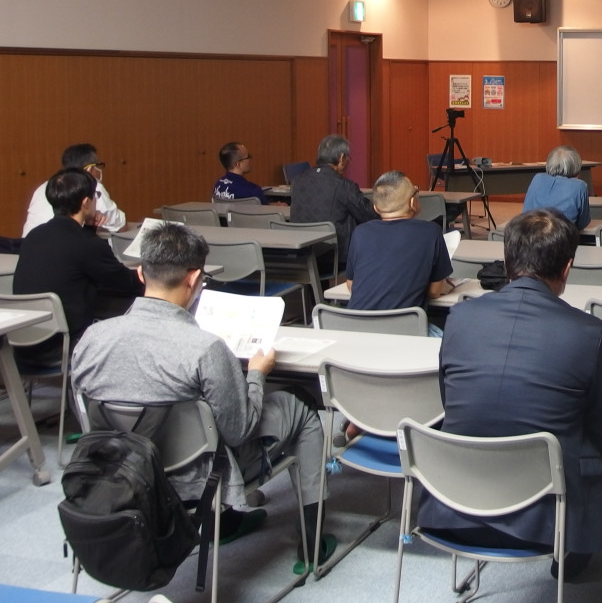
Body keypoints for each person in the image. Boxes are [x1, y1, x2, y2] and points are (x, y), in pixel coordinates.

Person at [71, 223, 334, 570]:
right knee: (301, 405)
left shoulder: (91, 339)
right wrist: (257, 374)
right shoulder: (206, 348)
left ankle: (228, 523)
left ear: (140, 273)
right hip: (197, 479)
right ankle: (312, 543)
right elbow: (240, 431)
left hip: (118, 470)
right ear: (195, 279)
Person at [419, 208, 602, 581]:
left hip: (455, 507)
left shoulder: (460, 318)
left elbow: (449, 402)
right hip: (548, 518)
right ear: (567, 268)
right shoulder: (590, 333)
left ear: (507, 261)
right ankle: (573, 562)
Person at [13, 167, 142, 365]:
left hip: (23, 344)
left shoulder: (34, 236)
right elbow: (127, 283)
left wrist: (90, 228)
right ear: (86, 202)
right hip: (63, 346)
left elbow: (74, 260)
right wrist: (144, 274)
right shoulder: (86, 244)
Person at [346, 171, 454, 334]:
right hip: (405, 331)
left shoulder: (360, 232)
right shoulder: (430, 232)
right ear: (412, 202)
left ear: (376, 208)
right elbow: (434, 292)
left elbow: (351, 285)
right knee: (453, 342)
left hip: (356, 329)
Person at [288, 134, 377, 268]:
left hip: (301, 256)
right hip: (333, 258)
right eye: (348, 158)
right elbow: (368, 214)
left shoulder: (297, 181)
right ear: (341, 158)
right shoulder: (344, 186)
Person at [23, 143, 126, 236]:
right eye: (98, 166)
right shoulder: (91, 186)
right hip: (61, 246)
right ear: (90, 169)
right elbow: (120, 226)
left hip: (27, 245)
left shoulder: (47, 186)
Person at [522, 145, 591, 230]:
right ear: (576, 165)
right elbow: (583, 223)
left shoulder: (537, 178)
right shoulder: (580, 186)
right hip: (561, 236)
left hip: (530, 234)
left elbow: (525, 214)